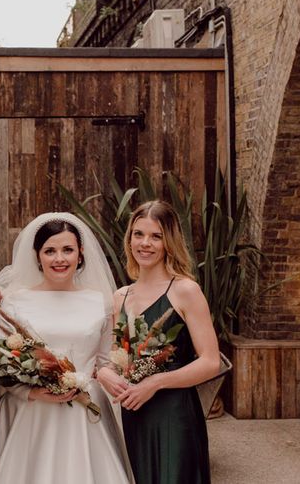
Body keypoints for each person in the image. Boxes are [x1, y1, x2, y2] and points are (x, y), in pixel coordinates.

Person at [0, 213, 132, 484]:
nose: (59, 259)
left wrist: (104, 375)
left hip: (85, 415)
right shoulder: (14, 302)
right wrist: (33, 392)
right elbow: (1, 365)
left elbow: (105, 362)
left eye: (68, 250)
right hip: (34, 414)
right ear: (37, 256)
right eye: (50, 251)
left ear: (80, 254)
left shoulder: (99, 301)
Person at [96, 200, 221, 484]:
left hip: (175, 414)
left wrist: (155, 383)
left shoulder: (186, 291)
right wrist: (105, 373)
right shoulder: (121, 297)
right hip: (135, 414)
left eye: (156, 236)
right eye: (138, 234)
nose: (145, 243)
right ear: (129, 239)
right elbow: (119, 357)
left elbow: (211, 362)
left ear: (169, 241)